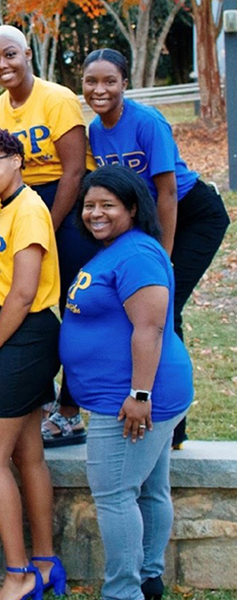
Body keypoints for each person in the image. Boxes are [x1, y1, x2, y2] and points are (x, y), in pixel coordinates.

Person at [81, 48, 230, 448]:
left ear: (125, 84)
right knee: (144, 309)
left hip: (193, 213)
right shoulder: (95, 130)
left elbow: (166, 192)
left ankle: (171, 426)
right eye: (91, 81)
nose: (100, 89)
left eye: (110, 81)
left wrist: (162, 257)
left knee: (164, 307)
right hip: (150, 221)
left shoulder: (147, 122)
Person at [59, 164, 194, 600]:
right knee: (151, 489)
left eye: (108, 206)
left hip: (129, 401)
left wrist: (139, 395)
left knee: (115, 496)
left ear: (133, 208)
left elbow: (150, 329)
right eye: (89, 205)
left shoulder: (136, 254)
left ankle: (123, 592)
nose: (95, 213)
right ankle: (149, 578)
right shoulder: (115, 250)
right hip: (130, 396)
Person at [0, 24, 97, 447]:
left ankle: (71, 410)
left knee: (71, 307)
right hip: (23, 206)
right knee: (30, 303)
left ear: (28, 54)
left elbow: (73, 171)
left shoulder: (57, 98)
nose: (2, 65)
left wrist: (46, 224)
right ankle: (42, 402)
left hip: (64, 206)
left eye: (9, 54)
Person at [0, 126, 67, 600]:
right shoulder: (6, 210)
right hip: (11, 330)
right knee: (27, 452)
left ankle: (17, 574)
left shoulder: (27, 210)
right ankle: (45, 564)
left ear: (16, 160)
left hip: (22, 335)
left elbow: (24, 292)